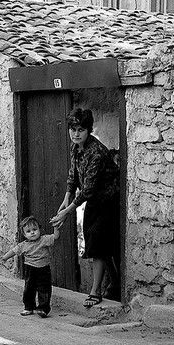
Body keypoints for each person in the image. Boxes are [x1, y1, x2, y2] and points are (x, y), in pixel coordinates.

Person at [50, 108, 120, 308]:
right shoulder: (76, 147)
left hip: (108, 201)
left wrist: (67, 211)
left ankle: (95, 291)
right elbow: (73, 175)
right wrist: (66, 198)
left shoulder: (95, 152)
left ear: (88, 130)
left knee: (98, 245)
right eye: (73, 129)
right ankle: (113, 283)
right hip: (93, 201)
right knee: (92, 241)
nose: (76, 133)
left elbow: (88, 189)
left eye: (80, 129)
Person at [3, 215, 60, 318]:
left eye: (35, 229)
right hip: (30, 269)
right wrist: (4, 257)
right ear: (24, 234)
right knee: (29, 288)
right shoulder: (23, 245)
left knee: (44, 289)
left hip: (44, 269)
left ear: (39, 229)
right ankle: (29, 307)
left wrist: (56, 227)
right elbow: (14, 251)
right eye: (28, 231)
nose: (32, 232)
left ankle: (43, 308)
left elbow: (55, 237)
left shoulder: (44, 239)